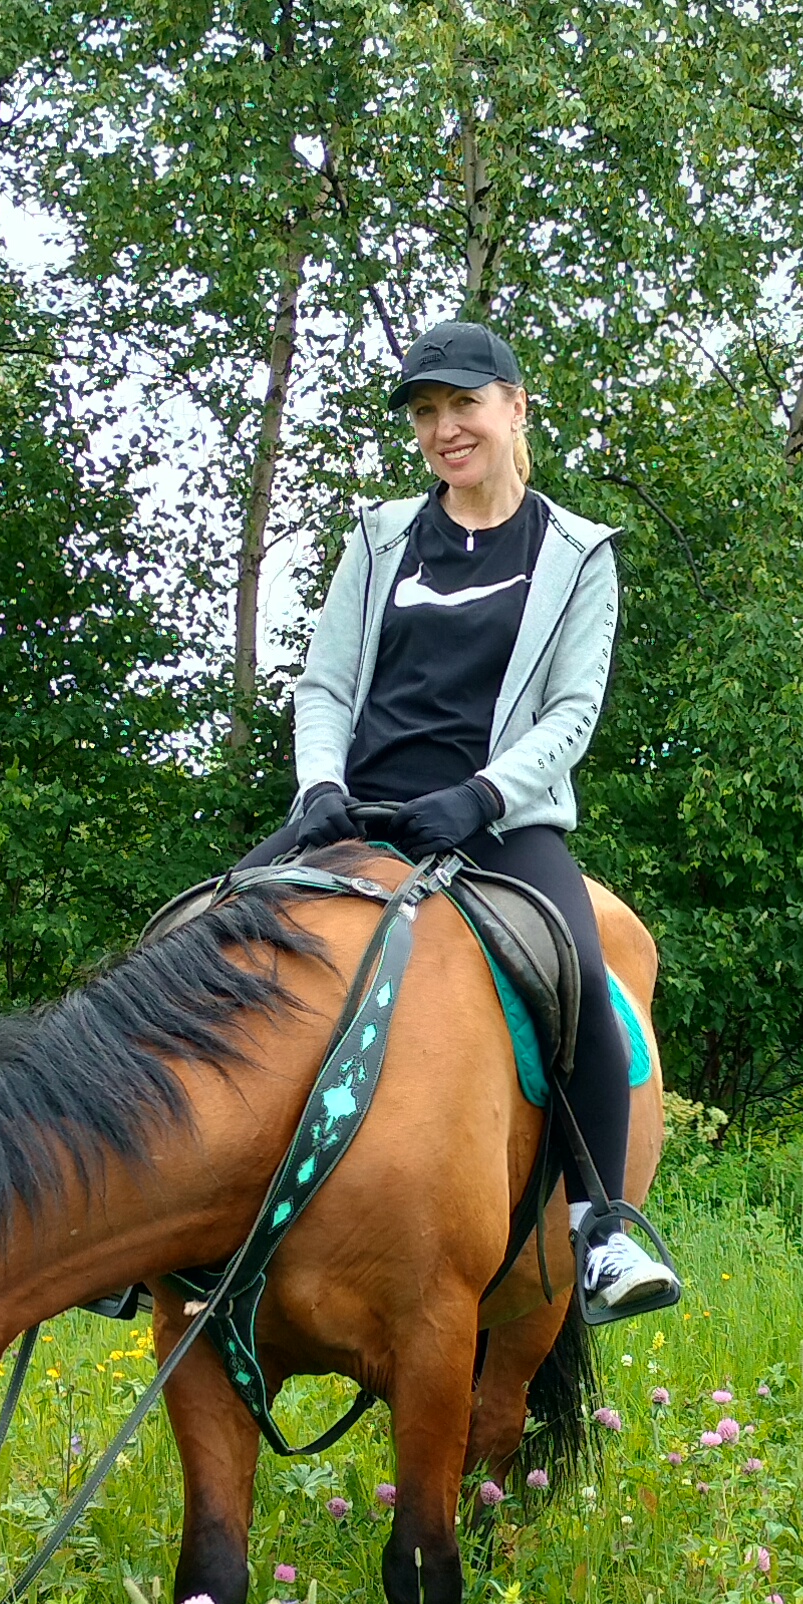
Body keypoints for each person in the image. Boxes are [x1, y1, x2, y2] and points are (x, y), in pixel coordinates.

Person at [252, 316, 682, 1324]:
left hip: (499, 821)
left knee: (581, 982)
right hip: (357, 810)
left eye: (464, 404)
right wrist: (318, 787)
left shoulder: (576, 553)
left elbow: (571, 713)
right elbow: (325, 684)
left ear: (515, 407)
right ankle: (156, 1220)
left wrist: (482, 796)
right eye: (425, 412)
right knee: (191, 941)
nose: (444, 428)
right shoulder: (379, 538)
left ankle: (602, 1232)